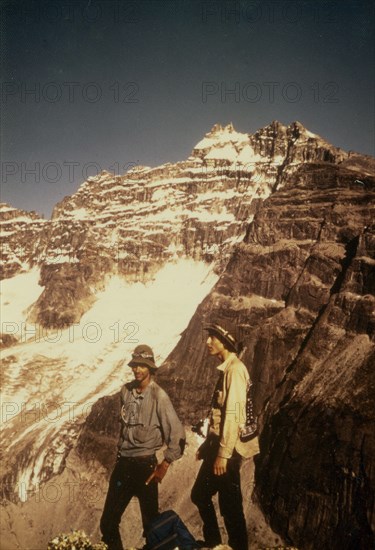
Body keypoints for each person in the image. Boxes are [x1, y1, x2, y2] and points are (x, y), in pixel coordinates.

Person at [100, 344, 186, 550]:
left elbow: (177, 434)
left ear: (151, 368)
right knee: (108, 522)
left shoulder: (159, 397)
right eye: (135, 365)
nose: (137, 369)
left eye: (142, 365)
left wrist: (164, 464)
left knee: (151, 526)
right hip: (124, 464)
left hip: (145, 466)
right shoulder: (125, 392)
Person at [191, 322, 260, 550]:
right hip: (219, 446)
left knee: (228, 505)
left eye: (213, 337)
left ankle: (226, 546)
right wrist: (208, 446)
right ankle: (215, 545)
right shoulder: (227, 369)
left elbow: (233, 416)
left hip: (228, 450)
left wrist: (222, 454)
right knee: (204, 495)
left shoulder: (235, 371)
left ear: (226, 341)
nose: (208, 342)